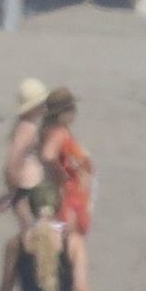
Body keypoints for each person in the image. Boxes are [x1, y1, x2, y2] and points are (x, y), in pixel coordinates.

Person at [0, 78, 51, 231]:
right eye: (41, 104)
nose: (44, 107)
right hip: (26, 187)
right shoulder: (27, 129)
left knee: (31, 229)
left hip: (27, 187)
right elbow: (13, 160)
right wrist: (12, 191)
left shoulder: (25, 126)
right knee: (30, 230)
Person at [39, 87, 94, 236]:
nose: (75, 113)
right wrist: (61, 174)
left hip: (72, 190)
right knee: (72, 236)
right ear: (63, 113)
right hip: (70, 194)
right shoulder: (59, 133)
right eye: (72, 109)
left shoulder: (50, 130)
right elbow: (48, 155)